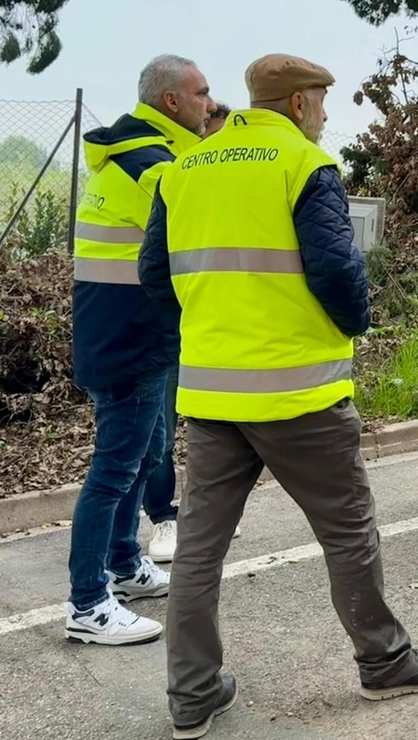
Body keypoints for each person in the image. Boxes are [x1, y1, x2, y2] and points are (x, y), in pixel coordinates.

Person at [141, 54, 418, 739]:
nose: (324, 113)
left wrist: (208, 333)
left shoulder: (182, 172)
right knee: (348, 531)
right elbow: (338, 271)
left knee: (199, 548)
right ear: (293, 105)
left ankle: (192, 695)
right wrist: (354, 324)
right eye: (319, 100)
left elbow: (153, 275)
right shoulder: (301, 164)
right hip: (299, 394)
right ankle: (384, 660)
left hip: (211, 394)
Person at [65, 54, 214, 646]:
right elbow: (199, 239)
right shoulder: (152, 168)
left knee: (148, 450)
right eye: (202, 94)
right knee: (115, 467)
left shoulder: (136, 155)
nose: (211, 103)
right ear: (172, 102)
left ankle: (124, 564)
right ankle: (87, 604)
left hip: (130, 334)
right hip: (131, 340)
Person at [142, 100, 240, 565]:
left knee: (215, 425)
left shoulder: (238, 185)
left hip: (216, 330)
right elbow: (155, 267)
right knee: (161, 430)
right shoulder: (174, 174)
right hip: (171, 326)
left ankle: (202, 515)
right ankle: (162, 516)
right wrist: (185, 310)